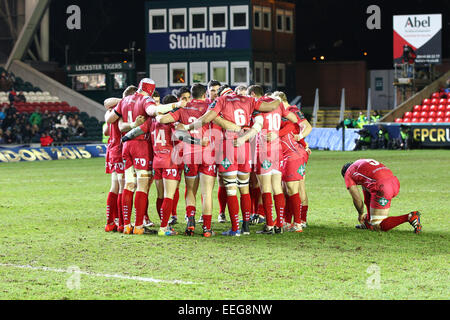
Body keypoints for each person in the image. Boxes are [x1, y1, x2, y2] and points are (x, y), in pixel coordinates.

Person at [181, 84, 282, 236]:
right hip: (245, 147)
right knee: (245, 189)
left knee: (231, 189)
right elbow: (267, 110)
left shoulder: (221, 100)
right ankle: (246, 228)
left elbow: (208, 117)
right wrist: (278, 100)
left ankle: (235, 229)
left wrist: (189, 127)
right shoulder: (249, 100)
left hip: (228, 146)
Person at [106, 78, 187, 235]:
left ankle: (126, 225)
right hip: (141, 146)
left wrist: (125, 137)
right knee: (142, 187)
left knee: (128, 185)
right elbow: (153, 111)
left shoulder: (125, 100)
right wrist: (176, 105)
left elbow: (110, 120)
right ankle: (138, 226)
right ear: (151, 90)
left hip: (126, 145)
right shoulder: (145, 100)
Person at [237, 86, 301, 234]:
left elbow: (252, 127)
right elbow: (294, 120)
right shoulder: (277, 104)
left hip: (263, 150)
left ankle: (270, 225)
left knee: (265, 188)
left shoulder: (257, 106)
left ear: (253, 95)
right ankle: (279, 224)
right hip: (277, 150)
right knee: (277, 187)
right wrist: (278, 133)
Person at [341, 159, 422, 233]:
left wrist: (360, 214)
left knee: (377, 225)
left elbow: (357, 199)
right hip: (394, 182)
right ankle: (368, 222)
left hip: (382, 187)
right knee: (368, 188)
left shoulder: (348, 174)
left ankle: (410, 217)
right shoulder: (359, 163)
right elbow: (367, 192)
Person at [272, 91, 312, 231]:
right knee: (286, 188)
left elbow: (307, 127)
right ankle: (288, 220)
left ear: (280, 100)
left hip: (295, 153)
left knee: (298, 187)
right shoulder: (280, 114)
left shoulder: (292, 111)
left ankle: (301, 220)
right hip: (290, 152)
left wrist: (300, 138)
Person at [103, 85, 139, 233]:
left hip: (111, 150)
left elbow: (106, 130)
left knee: (115, 186)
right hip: (119, 149)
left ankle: (111, 222)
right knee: (124, 187)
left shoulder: (112, 111)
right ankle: (122, 223)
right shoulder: (124, 110)